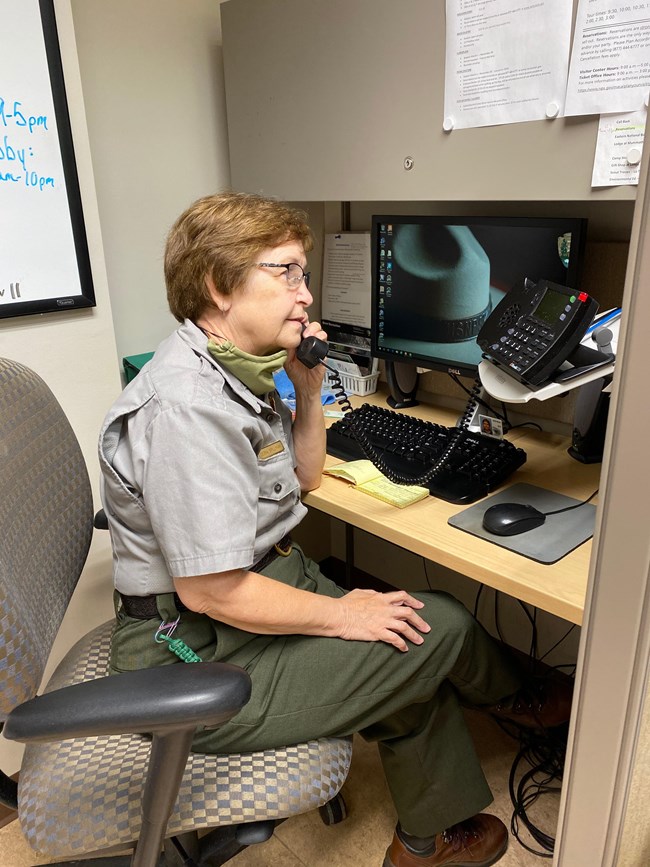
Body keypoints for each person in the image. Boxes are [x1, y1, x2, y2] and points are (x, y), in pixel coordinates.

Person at [98, 191, 571, 867]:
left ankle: (426, 838)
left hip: (245, 603)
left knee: (404, 634)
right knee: (439, 625)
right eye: (284, 271)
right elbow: (214, 594)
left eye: (305, 272)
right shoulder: (186, 410)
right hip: (192, 658)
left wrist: (310, 392)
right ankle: (513, 701)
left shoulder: (235, 368)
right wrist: (341, 614)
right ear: (217, 285)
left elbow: (304, 478)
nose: (305, 293)